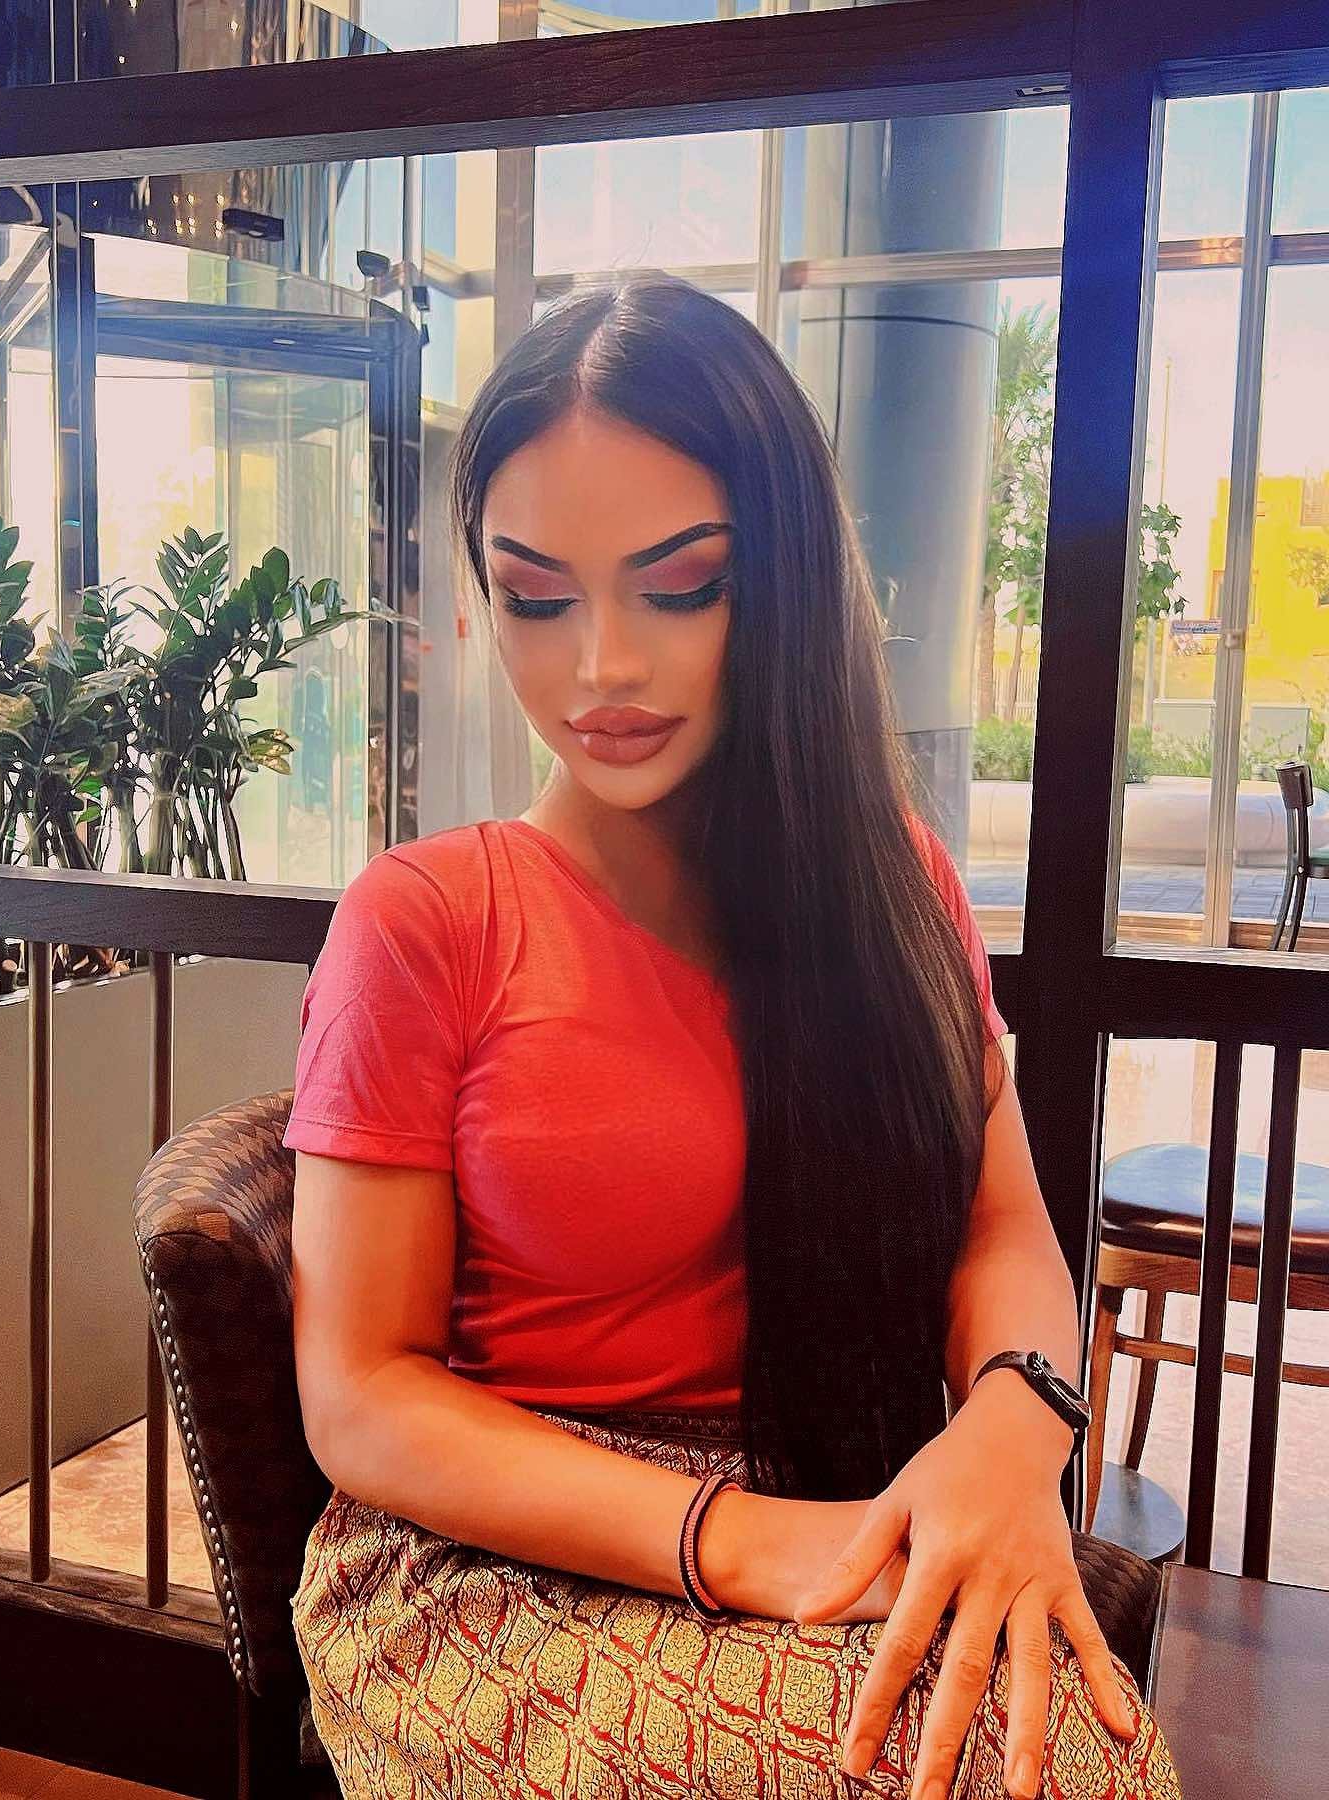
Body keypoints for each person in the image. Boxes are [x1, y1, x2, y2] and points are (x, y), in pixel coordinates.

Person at [284, 275, 1182, 1800]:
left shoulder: (890, 887)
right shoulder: (426, 923)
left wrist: (1011, 1425)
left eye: (679, 586)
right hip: (486, 1565)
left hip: (823, 1478)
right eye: (537, 598)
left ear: (784, 579)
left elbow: (1000, 1227)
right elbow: (361, 1390)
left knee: (1065, 1745)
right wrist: (743, 1541)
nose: (601, 668)